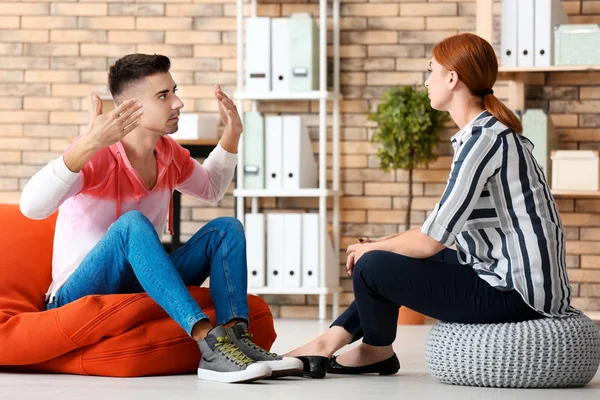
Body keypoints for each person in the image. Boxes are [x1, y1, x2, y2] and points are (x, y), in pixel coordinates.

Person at [285, 33, 578, 376]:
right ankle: (334, 341)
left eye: (431, 71)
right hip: (509, 281)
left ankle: (375, 349)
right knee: (381, 255)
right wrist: (377, 245)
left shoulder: (483, 141)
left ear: (452, 78)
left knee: (373, 266)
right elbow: (436, 229)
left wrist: (371, 253)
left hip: (515, 294)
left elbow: (430, 241)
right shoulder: (487, 134)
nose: (427, 81)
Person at [20, 53, 302, 383]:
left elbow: (210, 188)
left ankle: (236, 340)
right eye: (164, 96)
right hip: (74, 294)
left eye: (174, 91)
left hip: (135, 285)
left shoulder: (168, 152)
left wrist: (233, 134)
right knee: (131, 225)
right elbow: (31, 207)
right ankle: (208, 344)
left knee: (226, 229)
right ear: (130, 108)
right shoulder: (96, 155)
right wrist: (90, 143)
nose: (178, 102)